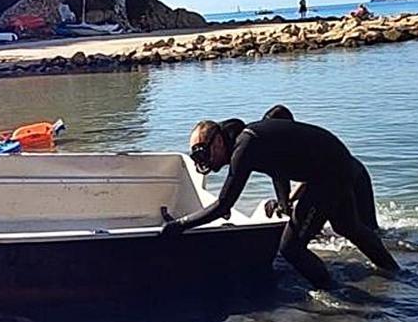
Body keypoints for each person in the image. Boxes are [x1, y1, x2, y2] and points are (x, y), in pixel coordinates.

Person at [161, 105, 399, 290]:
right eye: (197, 155)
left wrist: (179, 226)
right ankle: (394, 272)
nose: (203, 160)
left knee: (291, 249)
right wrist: (285, 204)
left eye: (203, 151)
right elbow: (279, 172)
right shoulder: (251, 140)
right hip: (337, 163)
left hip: (330, 172)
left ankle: (334, 292)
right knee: (348, 227)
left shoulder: (245, 147)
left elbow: (224, 204)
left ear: (219, 140)